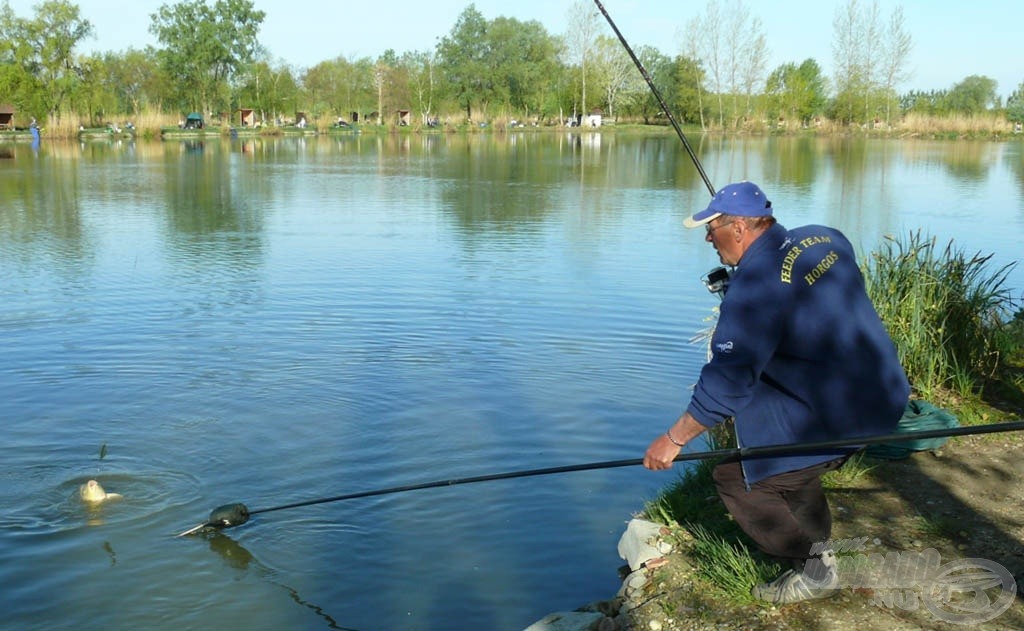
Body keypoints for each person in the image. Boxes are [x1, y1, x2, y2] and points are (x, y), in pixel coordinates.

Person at [643, 181, 910, 604]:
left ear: (739, 229)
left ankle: (814, 571)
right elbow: (807, 296)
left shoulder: (753, 292)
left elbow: (725, 387)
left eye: (711, 231)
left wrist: (673, 440)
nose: (709, 241)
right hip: (885, 391)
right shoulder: (823, 238)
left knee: (738, 480)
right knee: (784, 462)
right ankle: (818, 550)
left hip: (845, 415)